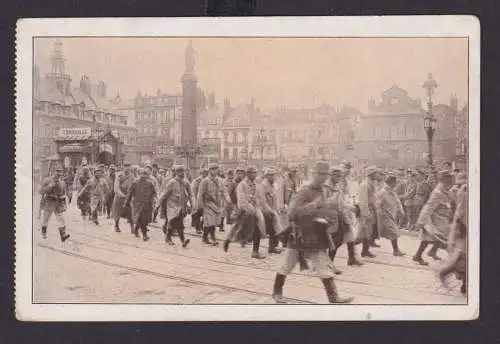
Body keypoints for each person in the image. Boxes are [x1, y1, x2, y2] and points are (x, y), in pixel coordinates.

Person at [271, 162, 353, 304]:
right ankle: (276, 293)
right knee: (287, 265)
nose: (323, 178)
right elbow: (292, 213)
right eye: (321, 174)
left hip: (315, 235)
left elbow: (321, 209)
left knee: (323, 265)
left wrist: (326, 215)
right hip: (300, 235)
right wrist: (313, 206)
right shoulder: (304, 191)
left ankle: (333, 298)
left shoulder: (322, 191)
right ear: (314, 174)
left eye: (325, 175)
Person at [412, 170, 454, 266]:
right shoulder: (438, 192)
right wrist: (421, 221)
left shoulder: (445, 189)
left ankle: (429, 252)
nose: (451, 180)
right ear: (444, 179)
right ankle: (418, 255)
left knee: (436, 238)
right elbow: (429, 206)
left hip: (442, 219)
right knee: (431, 238)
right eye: (449, 177)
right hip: (435, 220)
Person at [439, 172, 467, 294]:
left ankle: (465, 284)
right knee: (465, 256)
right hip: (463, 227)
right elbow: (460, 211)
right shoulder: (463, 191)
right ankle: (447, 272)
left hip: (462, 226)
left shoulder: (459, 190)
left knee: (465, 256)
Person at [156, 165, 191, 247]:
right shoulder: (172, 182)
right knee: (178, 223)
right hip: (172, 206)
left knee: (174, 223)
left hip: (181, 207)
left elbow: (189, 194)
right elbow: (164, 194)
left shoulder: (185, 182)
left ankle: (168, 238)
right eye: (179, 172)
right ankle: (183, 240)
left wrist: (190, 204)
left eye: (182, 171)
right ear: (176, 172)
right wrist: (158, 205)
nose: (181, 173)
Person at [375, 174, 405, 256]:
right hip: (384, 216)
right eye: (394, 182)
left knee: (373, 232)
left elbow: (397, 202)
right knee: (394, 232)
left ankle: (363, 245)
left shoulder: (392, 191)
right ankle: (396, 250)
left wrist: (401, 211)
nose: (395, 184)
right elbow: (377, 204)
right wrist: (379, 215)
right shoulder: (383, 192)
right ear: (390, 183)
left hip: (391, 215)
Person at [38, 165, 71, 242]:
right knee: (46, 218)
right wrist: (49, 187)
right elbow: (40, 191)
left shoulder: (62, 182)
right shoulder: (47, 180)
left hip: (58, 203)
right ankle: (44, 231)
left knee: (60, 219)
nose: (59, 173)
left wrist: (65, 199)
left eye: (61, 171)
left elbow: (63, 192)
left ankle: (63, 235)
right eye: (57, 171)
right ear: (54, 172)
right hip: (49, 201)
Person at [125, 168, 156, 241]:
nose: (143, 176)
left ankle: (136, 230)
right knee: (141, 219)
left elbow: (153, 192)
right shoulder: (135, 182)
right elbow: (130, 193)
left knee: (143, 219)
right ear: (139, 174)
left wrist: (153, 200)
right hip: (137, 204)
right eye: (142, 174)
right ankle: (144, 235)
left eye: (145, 174)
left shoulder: (150, 183)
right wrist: (126, 203)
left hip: (147, 204)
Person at [257, 168, 283, 255]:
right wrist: (271, 211)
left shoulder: (273, 185)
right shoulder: (263, 185)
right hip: (264, 210)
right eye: (271, 175)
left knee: (274, 229)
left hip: (271, 211)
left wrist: (277, 210)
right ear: (267, 176)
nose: (273, 177)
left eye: (274, 175)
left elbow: (275, 199)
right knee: (262, 230)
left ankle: (273, 247)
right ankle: (255, 248)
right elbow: (262, 201)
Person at [198, 164, 225, 246]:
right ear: (210, 170)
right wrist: (200, 207)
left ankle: (204, 237)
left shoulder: (219, 180)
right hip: (208, 204)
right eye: (214, 169)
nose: (216, 171)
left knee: (209, 223)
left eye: (217, 169)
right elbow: (200, 194)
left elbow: (222, 191)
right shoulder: (205, 181)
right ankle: (213, 238)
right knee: (211, 222)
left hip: (216, 205)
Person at [357, 166, 379, 258]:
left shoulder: (371, 183)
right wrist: (367, 214)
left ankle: (365, 251)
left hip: (371, 210)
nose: (377, 175)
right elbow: (363, 201)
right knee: (363, 232)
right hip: (366, 211)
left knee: (368, 232)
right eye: (376, 173)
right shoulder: (365, 185)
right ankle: (355, 248)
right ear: (371, 174)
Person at [112, 162, 135, 233]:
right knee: (117, 211)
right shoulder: (119, 175)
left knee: (130, 212)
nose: (127, 168)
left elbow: (134, 185)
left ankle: (132, 227)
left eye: (128, 166)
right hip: (119, 196)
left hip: (128, 196)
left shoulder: (132, 176)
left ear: (130, 167)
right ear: (123, 167)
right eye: (125, 166)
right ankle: (116, 225)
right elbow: (116, 187)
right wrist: (122, 194)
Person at [191, 167, 208, 234]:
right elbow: (193, 191)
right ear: (201, 173)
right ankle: (197, 228)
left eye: (206, 172)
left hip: (206, 201)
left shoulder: (209, 180)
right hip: (198, 200)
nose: (205, 174)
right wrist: (194, 200)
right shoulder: (197, 181)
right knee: (197, 215)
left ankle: (201, 225)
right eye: (204, 172)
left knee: (206, 215)